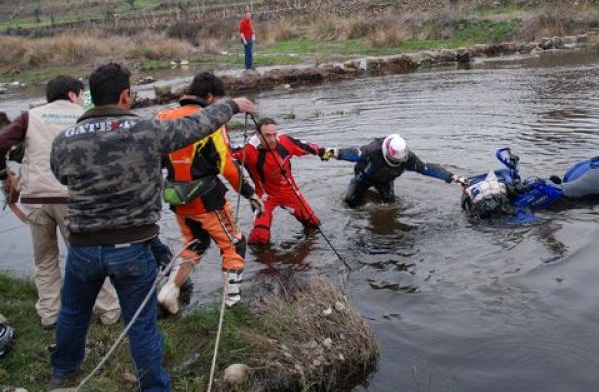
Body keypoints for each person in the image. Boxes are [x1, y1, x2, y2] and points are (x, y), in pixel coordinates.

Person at [49, 62, 256, 392]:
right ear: (126, 96)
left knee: (73, 312)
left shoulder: (65, 139)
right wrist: (234, 105)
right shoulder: (145, 131)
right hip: (132, 245)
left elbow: (61, 176)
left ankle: (63, 371)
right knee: (141, 324)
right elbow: (196, 124)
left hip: (83, 245)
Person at [0, 76, 120, 330]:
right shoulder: (87, 116)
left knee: (44, 259)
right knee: (90, 257)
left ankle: (50, 315)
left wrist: (4, 174)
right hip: (75, 199)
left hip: (36, 199)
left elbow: (1, 143)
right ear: (73, 94)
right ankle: (108, 313)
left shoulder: (29, 116)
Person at [156, 72, 260, 315]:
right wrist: (249, 193)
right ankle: (233, 304)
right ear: (210, 96)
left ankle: (170, 290)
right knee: (234, 244)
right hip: (207, 199)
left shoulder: (163, 117)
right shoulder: (211, 122)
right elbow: (227, 166)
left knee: (196, 243)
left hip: (177, 197)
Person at [233, 117, 333, 245]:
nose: (272, 139)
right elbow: (222, 156)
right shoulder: (246, 149)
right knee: (260, 237)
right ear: (257, 134)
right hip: (264, 197)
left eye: (274, 134)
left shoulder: (285, 141)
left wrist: (329, 153)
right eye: (267, 135)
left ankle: (303, 251)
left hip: (290, 193)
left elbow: (309, 147)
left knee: (314, 225)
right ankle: (260, 261)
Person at [330, 134, 466, 208]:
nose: (396, 163)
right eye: (393, 161)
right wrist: (335, 152)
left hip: (386, 180)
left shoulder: (408, 159)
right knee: (350, 201)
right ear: (386, 153)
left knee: (389, 207)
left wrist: (452, 176)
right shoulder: (373, 150)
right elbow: (355, 154)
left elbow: (427, 168)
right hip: (364, 176)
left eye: (398, 162)